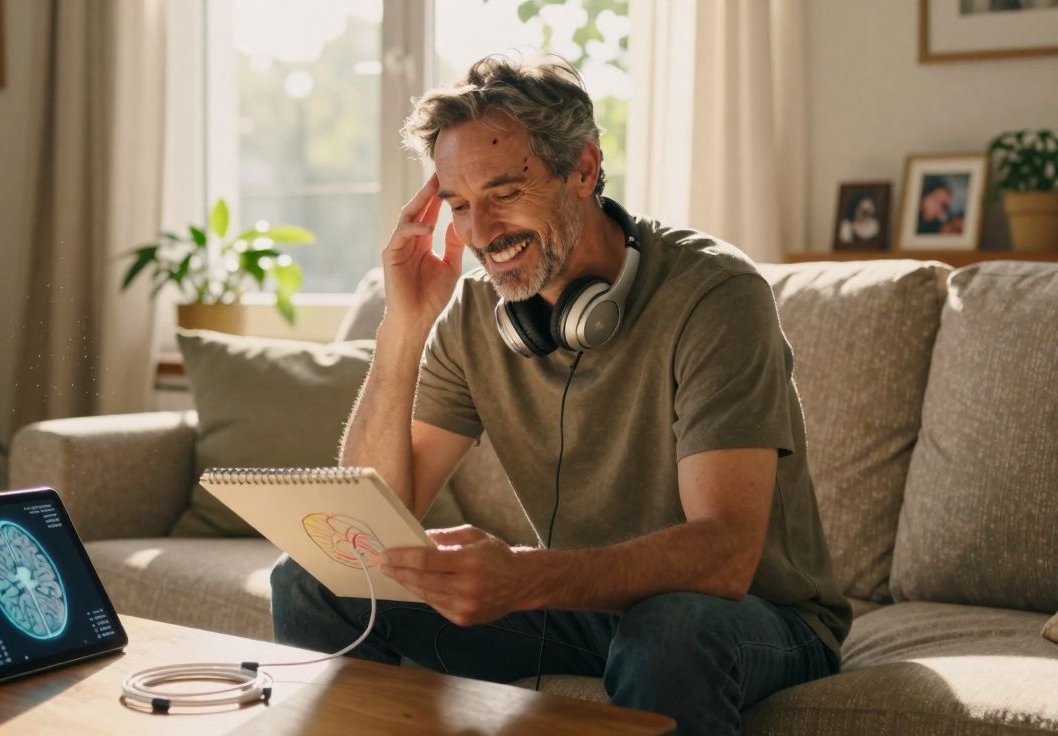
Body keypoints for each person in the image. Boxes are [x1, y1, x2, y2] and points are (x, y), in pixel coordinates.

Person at [270, 54, 850, 734]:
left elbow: (723, 557)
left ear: (582, 167)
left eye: (503, 193)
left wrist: (526, 576)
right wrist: (403, 323)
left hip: (753, 615)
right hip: (587, 611)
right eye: (459, 205)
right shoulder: (472, 314)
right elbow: (370, 532)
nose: (481, 235)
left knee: (670, 627)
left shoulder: (716, 295)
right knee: (313, 580)